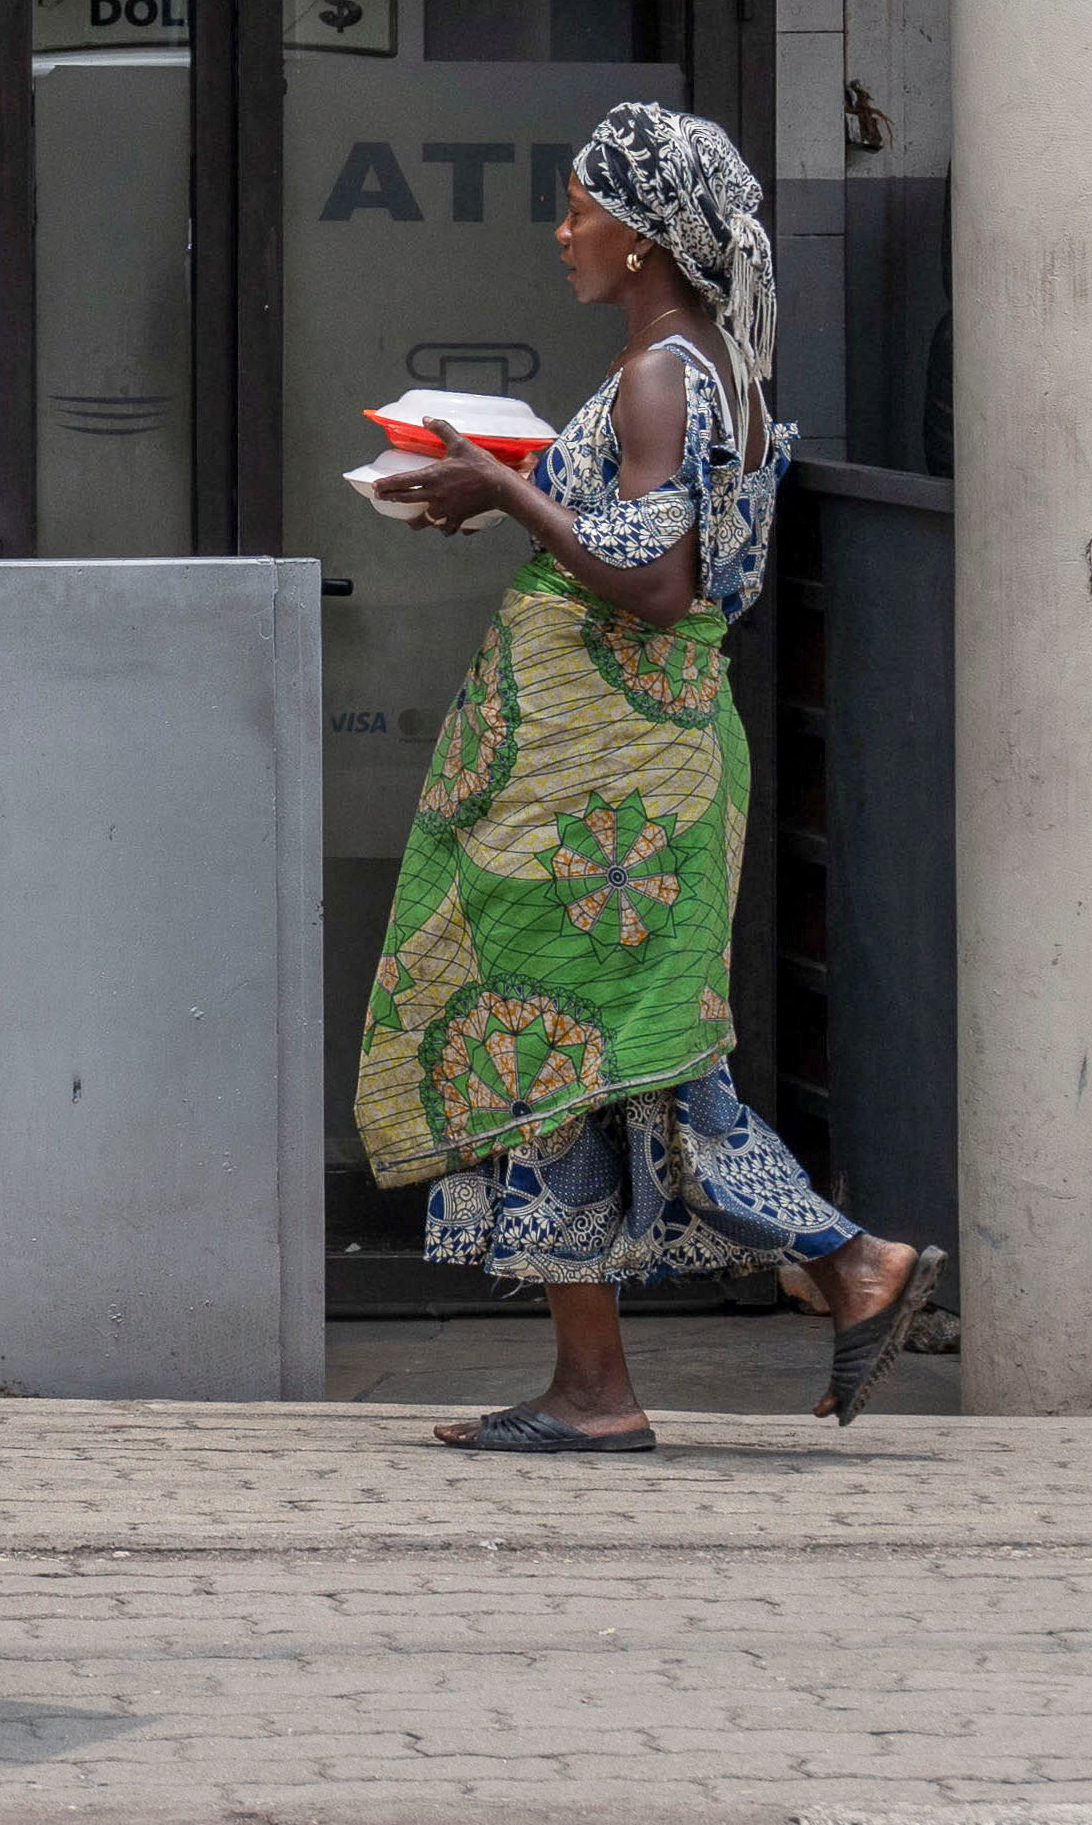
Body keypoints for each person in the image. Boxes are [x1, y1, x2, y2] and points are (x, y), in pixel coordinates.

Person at [359, 100, 931, 1446]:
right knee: (589, 1056)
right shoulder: (692, 369)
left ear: (644, 236)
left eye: (580, 208)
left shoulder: (664, 376)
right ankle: (605, 1383)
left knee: (601, 1046)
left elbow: (658, 582)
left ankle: (843, 1268)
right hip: (619, 766)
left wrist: (502, 494)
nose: (562, 233)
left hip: (613, 787)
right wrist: (492, 490)